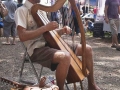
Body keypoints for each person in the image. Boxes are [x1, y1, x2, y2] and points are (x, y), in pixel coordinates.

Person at [15, 0, 101, 90]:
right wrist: (44, 28)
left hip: (49, 44)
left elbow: (49, 32)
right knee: (65, 56)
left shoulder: (40, 10)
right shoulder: (21, 10)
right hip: (35, 48)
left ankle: (92, 85)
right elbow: (22, 36)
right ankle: (60, 88)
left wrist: (62, 30)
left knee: (87, 49)